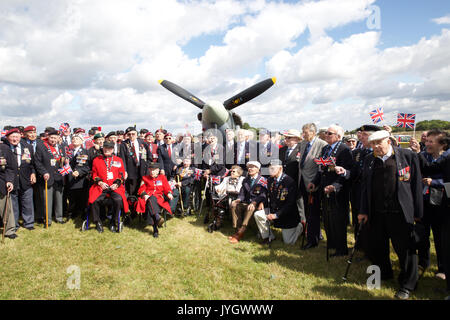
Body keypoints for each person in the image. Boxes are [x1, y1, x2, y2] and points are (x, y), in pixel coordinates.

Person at [359, 130, 423, 300]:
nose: (376, 146)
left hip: (400, 212)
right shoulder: (369, 160)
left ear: (389, 140)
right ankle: (384, 274)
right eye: (373, 143)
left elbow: (416, 185)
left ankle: (408, 284)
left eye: (379, 142)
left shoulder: (407, 156)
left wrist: (417, 212)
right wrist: (363, 210)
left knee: (406, 250)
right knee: (378, 246)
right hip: (377, 212)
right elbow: (365, 187)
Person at [308, 125, 353, 257]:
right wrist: (314, 182)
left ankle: (341, 248)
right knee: (328, 219)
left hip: (338, 191)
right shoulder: (326, 148)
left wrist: (335, 186)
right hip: (324, 189)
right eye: (326, 133)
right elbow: (321, 170)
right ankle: (332, 243)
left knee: (338, 219)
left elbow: (347, 172)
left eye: (329, 133)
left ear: (338, 136)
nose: (326, 135)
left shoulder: (344, 150)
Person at [416, 130, 449, 280]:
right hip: (424, 201)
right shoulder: (422, 156)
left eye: (431, 141)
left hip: (442, 203)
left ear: (442, 144)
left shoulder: (448, 158)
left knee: (440, 236)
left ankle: (442, 268)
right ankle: (423, 262)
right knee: (422, 233)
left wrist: (434, 183)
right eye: (427, 141)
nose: (427, 143)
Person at [254, 160, 302, 244]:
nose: (270, 171)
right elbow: (268, 195)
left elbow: (290, 204)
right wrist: (262, 202)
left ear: (280, 169)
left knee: (288, 242)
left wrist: (276, 215)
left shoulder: (289, 182)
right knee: (258, 214)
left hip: (287, 215)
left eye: (272, 169)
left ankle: (300, 227)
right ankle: (268, 237)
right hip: (274, 210)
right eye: (269, 168)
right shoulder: (270, 180)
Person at [298, 123, 327, 250]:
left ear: (313, 132)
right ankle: (315, 234)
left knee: (313, 213)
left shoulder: (322, 145)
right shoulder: (303, 143)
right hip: (303, 182)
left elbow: (321, 167)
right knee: (307, 211)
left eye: (305, 132)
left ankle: (312, 239)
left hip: (313, 184)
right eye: (303, 132)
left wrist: (315, 182)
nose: (303, 135)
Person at [88, 141, 129, 233]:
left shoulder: (118, 160)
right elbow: (94, 174)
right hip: (101, 187)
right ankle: (97, 222)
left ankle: (113, 222)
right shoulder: (96, 160)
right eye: (105, 148)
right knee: (94, 200)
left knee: (118, 200)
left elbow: (121, 174)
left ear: (112, 149)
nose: (107, 150)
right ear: (103, 149)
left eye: (109, 148)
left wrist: (117, 184)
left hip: (115, 187)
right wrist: (100, 183)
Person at [3, 128, 36, 231]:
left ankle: (29, 223)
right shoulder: (4, 148)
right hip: (11, 180)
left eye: (17, 136)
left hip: (26, 179)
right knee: (13, 205)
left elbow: (33, 163)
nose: (15, 139)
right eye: (12, 137)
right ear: (8, 138)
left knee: (28, 203)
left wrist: (33, 173)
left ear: (20, 136)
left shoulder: (28, 147)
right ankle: (15, 224)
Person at [34, 130, 67, 225]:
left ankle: (59, 217)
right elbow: (37, 162)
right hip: (47, 177)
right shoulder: (41, 146)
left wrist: (66, 164)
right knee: (47, 200)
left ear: (58, 138)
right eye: (51, 137)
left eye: (55, 138)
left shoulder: (61, 147)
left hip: (59, 177)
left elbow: (62, 160)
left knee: (59, 198)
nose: (53, 140)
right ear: (48, 137)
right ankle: (48, 220)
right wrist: (43, 172)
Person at [230, 161, 267, 244]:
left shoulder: (263, 180)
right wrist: (238, 200)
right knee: (234, 205)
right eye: (249, 167)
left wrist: (255, 202)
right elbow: (242, 193)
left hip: (257, 203)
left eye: (252, 167)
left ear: (258, 169)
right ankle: (237, 229)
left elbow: (263, 195)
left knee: (250, 208)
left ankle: (241, 231)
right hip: (246, 202)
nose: (250, 169)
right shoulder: (246, 180)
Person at [135, 162, 174, 238]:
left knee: (152, 201)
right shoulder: (145, 178)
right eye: (151, 170)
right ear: (149, 170)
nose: (152, 172)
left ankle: (156, 219)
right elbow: (141, 189)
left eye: (154, 170)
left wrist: (169, 193)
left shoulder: (162, 178)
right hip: (147, 198)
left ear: (158, 170)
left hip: (159, 199)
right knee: (151, 199)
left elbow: (167, 188)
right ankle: (156, 224)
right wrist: (144, 194)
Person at [65, 134, 90, 219]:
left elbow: (87, 166)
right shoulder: (68, 152)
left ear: (82, 141)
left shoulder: (85, 152)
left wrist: (79, 172)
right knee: (72, 198)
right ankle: (72, 214)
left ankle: (83, 214)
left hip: (80, 179)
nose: (75, 140)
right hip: (70, 178)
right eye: (73, 138)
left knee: (82, 198)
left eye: (77, 138)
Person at [120, 126, 149, 197]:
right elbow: (122, 159)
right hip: (131, 171)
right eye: (129, 134)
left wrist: (147, 167)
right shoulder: (124, 144)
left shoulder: (142, 143)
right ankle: (132, 206)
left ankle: (139, 206)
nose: (131, 136)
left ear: (136, 134)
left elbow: (149, 156)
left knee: (141, 189)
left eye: (133, 134)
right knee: (131, 191)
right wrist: (125, 171)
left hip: (142, 169)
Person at [0, 136, 18, 239]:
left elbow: (11, 168)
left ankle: (9, 230)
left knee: (5, 207)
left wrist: (10, 181)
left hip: (1, 182)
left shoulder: (4, 148)